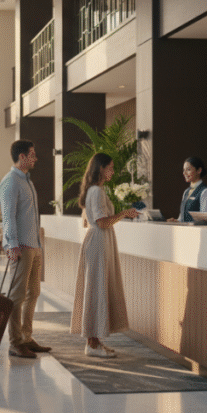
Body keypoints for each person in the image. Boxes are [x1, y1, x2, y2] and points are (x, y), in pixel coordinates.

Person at [71, 153, 138, 358]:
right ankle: (92, 343)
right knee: (97, 290)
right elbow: (101, 222)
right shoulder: (97, 192)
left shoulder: (93, 190)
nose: (112, 171)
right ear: (100, 169)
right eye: (110, 167)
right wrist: (123, 214)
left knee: (96, 289)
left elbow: (88, 221)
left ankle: (95, 341)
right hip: (99, 241)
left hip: (98, 241)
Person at [0, 139, 51, 359]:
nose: (35, 158)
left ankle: (26, 337)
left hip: (34, 245)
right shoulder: (10, 182)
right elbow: (8, 215)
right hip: (20, 247)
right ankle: (15, 342)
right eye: (32, 154)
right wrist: (11, 244)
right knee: (17, 296)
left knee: (33, 293)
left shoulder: (26, 181)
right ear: (22, 157)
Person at [166, 156, 207, 223]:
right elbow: (181, 218)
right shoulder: (186, 192)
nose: (184, 173)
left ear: (199, 170)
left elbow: (204, 220)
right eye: (183, 170)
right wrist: (175, 221)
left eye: (188, 170)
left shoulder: (205, 191)